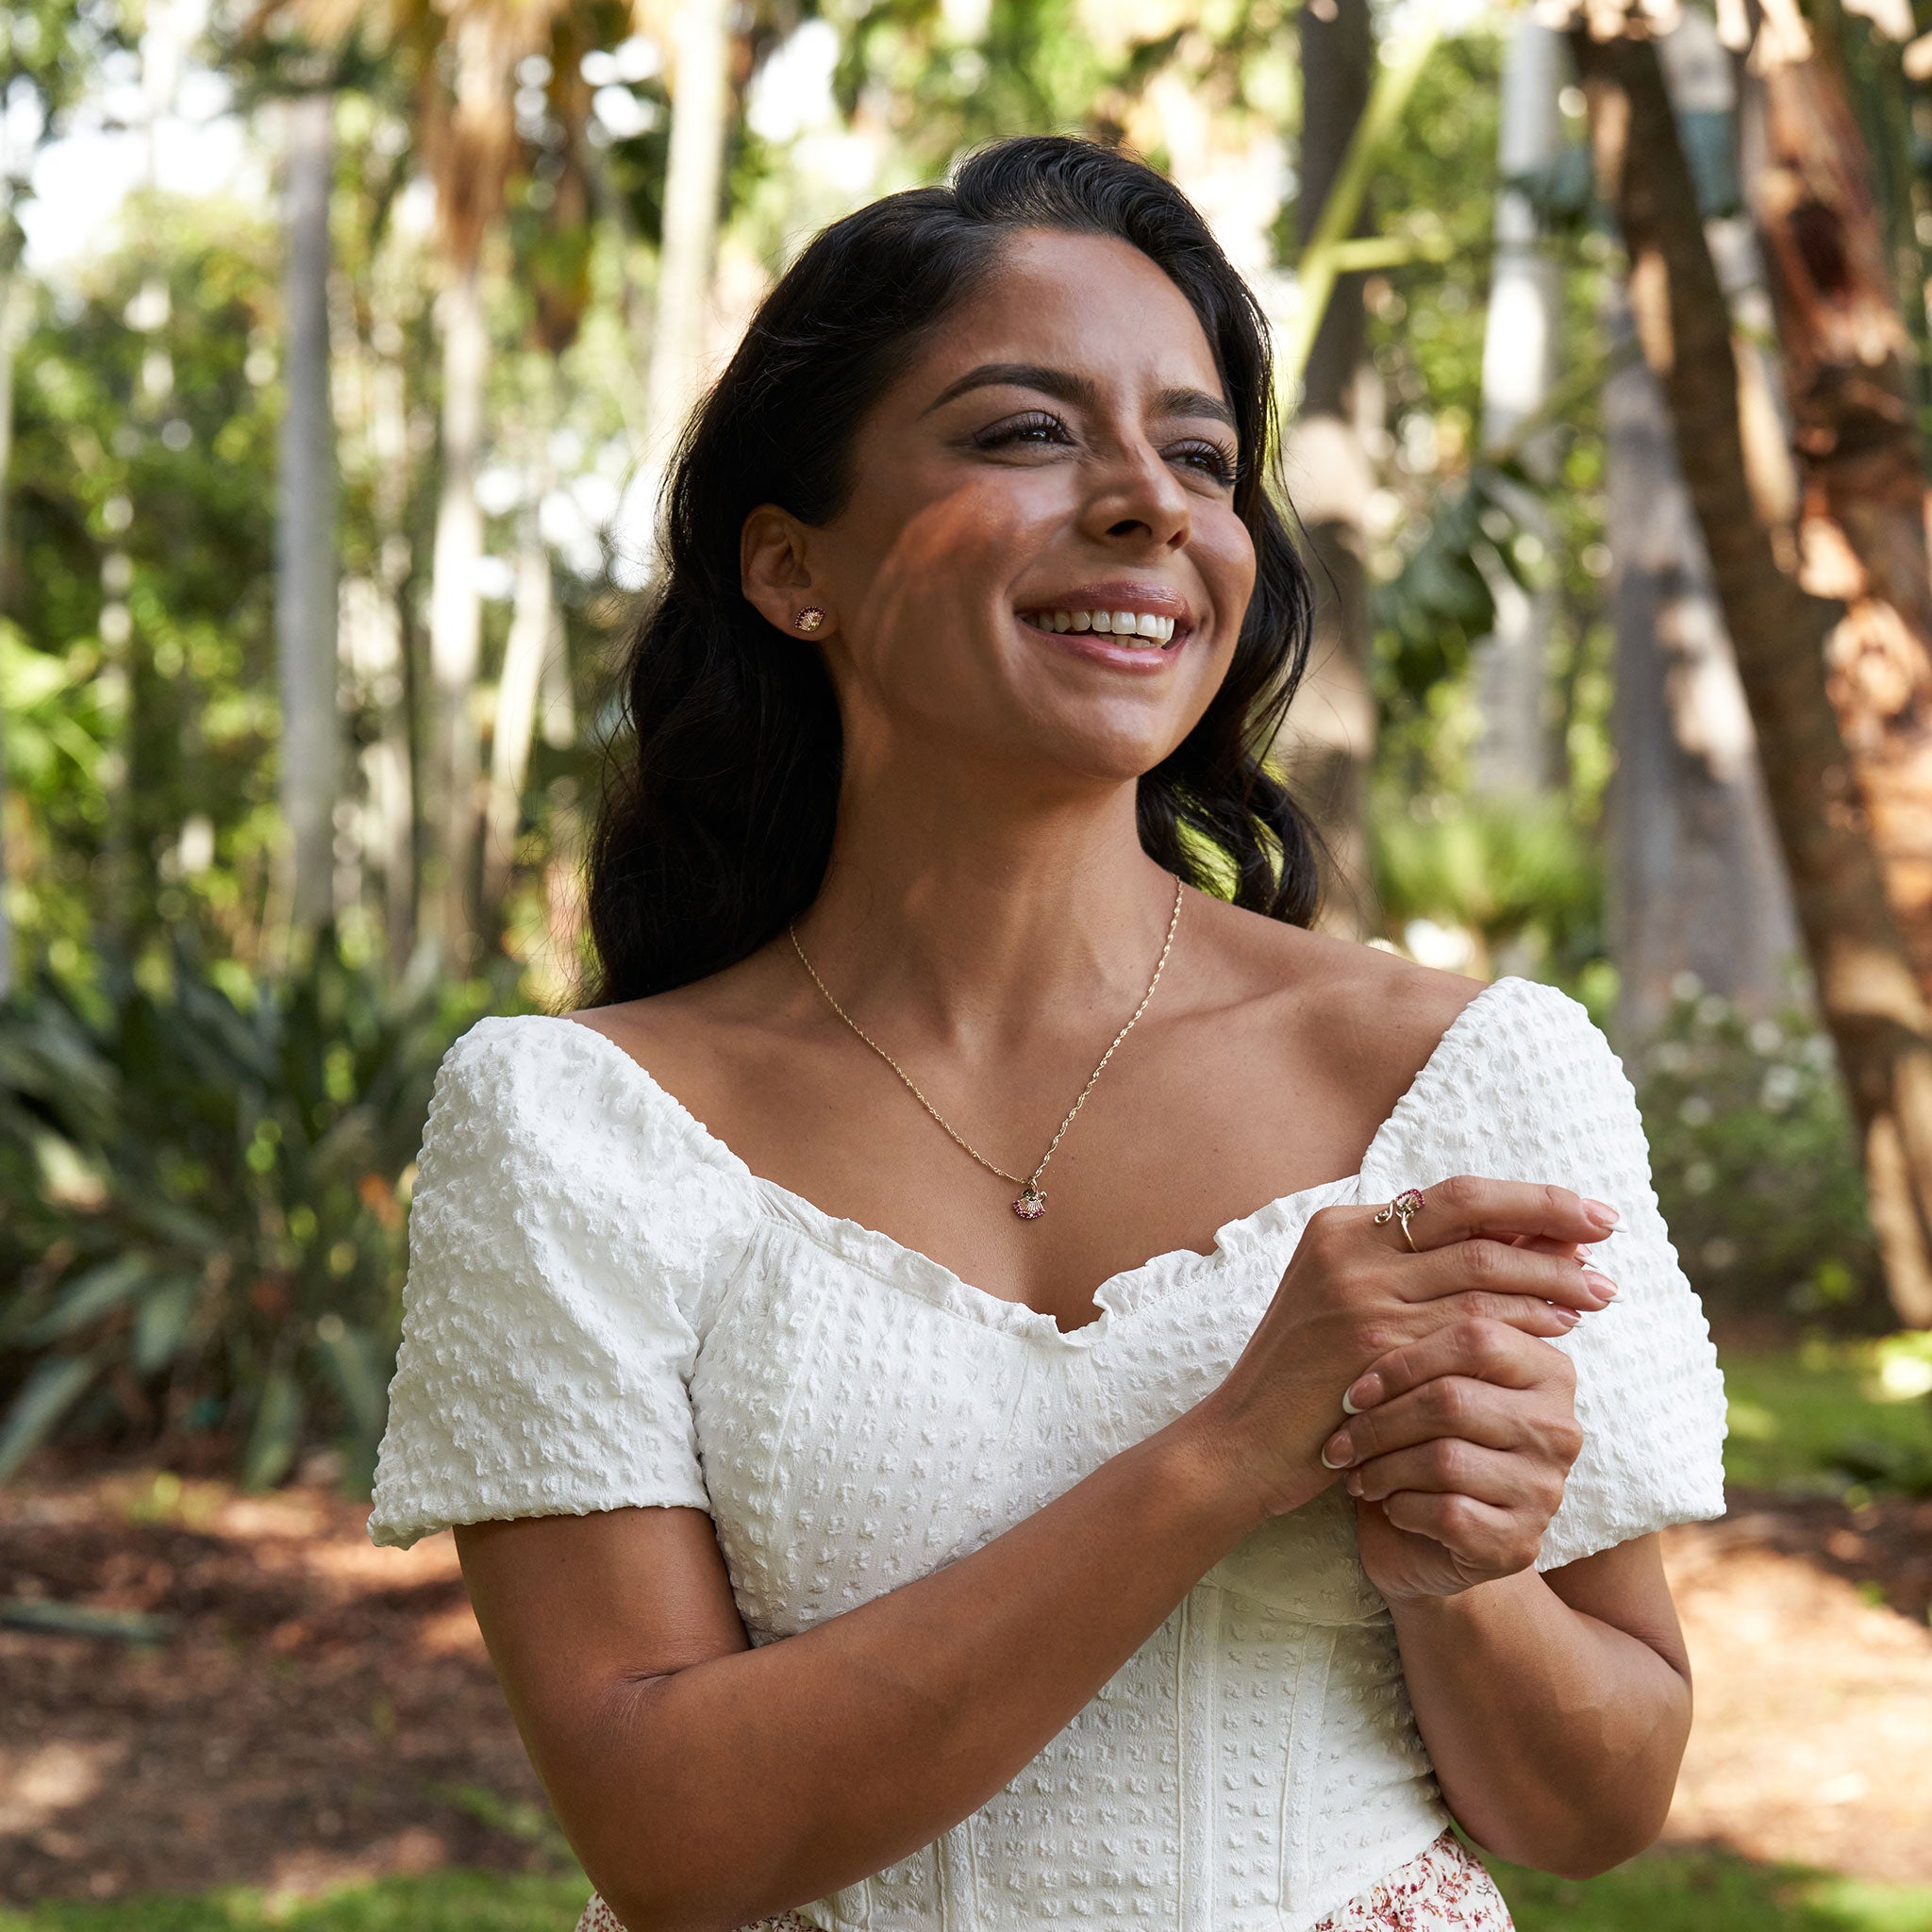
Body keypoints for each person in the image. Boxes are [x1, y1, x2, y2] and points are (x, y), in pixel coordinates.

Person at [367, 137, 1726, 1932]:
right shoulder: (579, 1127)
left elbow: (1601, 1801)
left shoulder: (1463, 1082)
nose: (1148, 503)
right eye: (1026, 430)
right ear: (791, 564)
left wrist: (1454, 1579)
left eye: (1200, 454)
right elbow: (672, 1839)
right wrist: (1227, 1452)